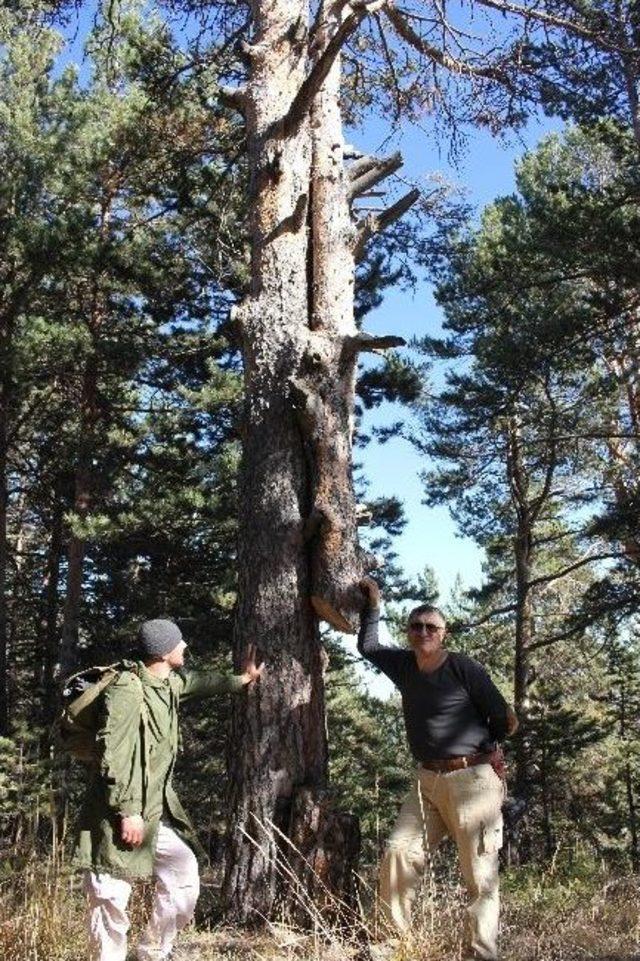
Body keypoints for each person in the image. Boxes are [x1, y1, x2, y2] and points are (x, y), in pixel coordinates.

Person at [74, 618, 264, 961]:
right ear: (163, 652)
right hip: (115, 814)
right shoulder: (126, 690)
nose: (185, 646)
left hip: (153, 813)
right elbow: (113, 755)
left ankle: (151, 954)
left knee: (184, 876)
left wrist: (242, 680)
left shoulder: (168, 683)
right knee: (110, 900)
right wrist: (127, 810)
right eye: (180, 642)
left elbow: (202, 682)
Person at [358, 578, 517, 961]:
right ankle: (390, 945)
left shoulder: (463, 667)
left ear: (443, 634)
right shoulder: (405, 665)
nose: (424, 632)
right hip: (426, 779)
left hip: (472, 781)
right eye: (417, 626)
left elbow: (504, 718)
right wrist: (374, 604)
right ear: (409, 632)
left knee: (479, 876)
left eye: (432, 627)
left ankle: (481, 954)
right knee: (398, 852)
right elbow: (369, 646)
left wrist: (488, 750)